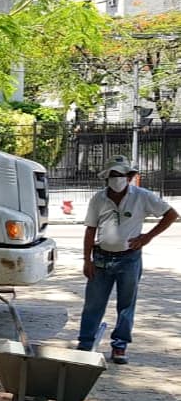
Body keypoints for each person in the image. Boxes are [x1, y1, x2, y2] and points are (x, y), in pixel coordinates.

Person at [76, 155, 178, 364]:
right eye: (112, 175)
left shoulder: (142, 196)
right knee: (93, 304)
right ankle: (85, 344)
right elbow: (90, 229)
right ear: (106, 177)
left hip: (129, 259)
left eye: (120, 175)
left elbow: (171, 214)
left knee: (126, 305)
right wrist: (87, 259)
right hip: (101, 258)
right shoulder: (98, 199)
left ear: (129, 177)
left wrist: (147, 237)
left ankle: (119, 346)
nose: (116, 179)